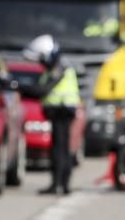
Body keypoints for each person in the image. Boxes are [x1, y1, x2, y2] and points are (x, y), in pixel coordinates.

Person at [20, 34, 81, 195]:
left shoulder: (59, 68)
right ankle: (59, 184)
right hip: (59, 111)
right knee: (59, 148)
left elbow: (42, 90)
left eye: (42, 59)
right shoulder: (55, 68)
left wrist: (18, 87)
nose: (41, 63)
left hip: (63, 111)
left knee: (60, 150)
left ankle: (60, 185)